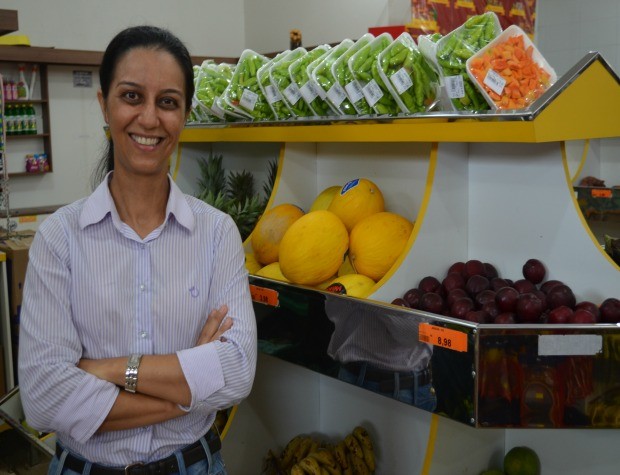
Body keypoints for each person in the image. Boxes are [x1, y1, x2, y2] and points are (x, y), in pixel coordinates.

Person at [18, 25, 257, 475]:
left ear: (184, 115)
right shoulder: (59, 239)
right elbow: (45, 399)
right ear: (104, 105)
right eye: (132, 96)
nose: (149, 118)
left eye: (167, 102)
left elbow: (237, 371)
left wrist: (109, 369)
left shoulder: (217, 234)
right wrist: (188, 392)